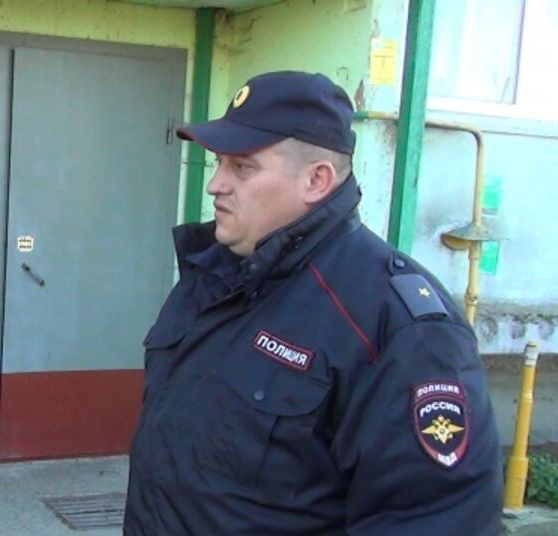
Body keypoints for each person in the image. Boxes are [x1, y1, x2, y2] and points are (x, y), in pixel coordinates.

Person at [124, 71, 502, 534]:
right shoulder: (214, 276)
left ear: (316, 180)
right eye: (218, 163)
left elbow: (432, 518)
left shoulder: (398, 325)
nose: (215, 185)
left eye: (242, 167)